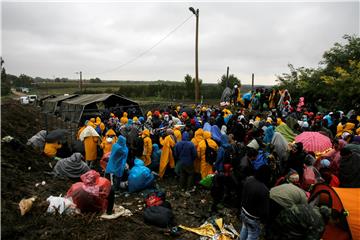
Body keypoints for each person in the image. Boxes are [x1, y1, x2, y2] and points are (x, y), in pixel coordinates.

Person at [239, 165, 270, 240]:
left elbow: (243, 194)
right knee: (252, 234)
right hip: (253, 217)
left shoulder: (249, 179)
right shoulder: (264, 189)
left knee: (244, 228)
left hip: (243, 210)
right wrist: (264, 220)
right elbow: (264, 209)